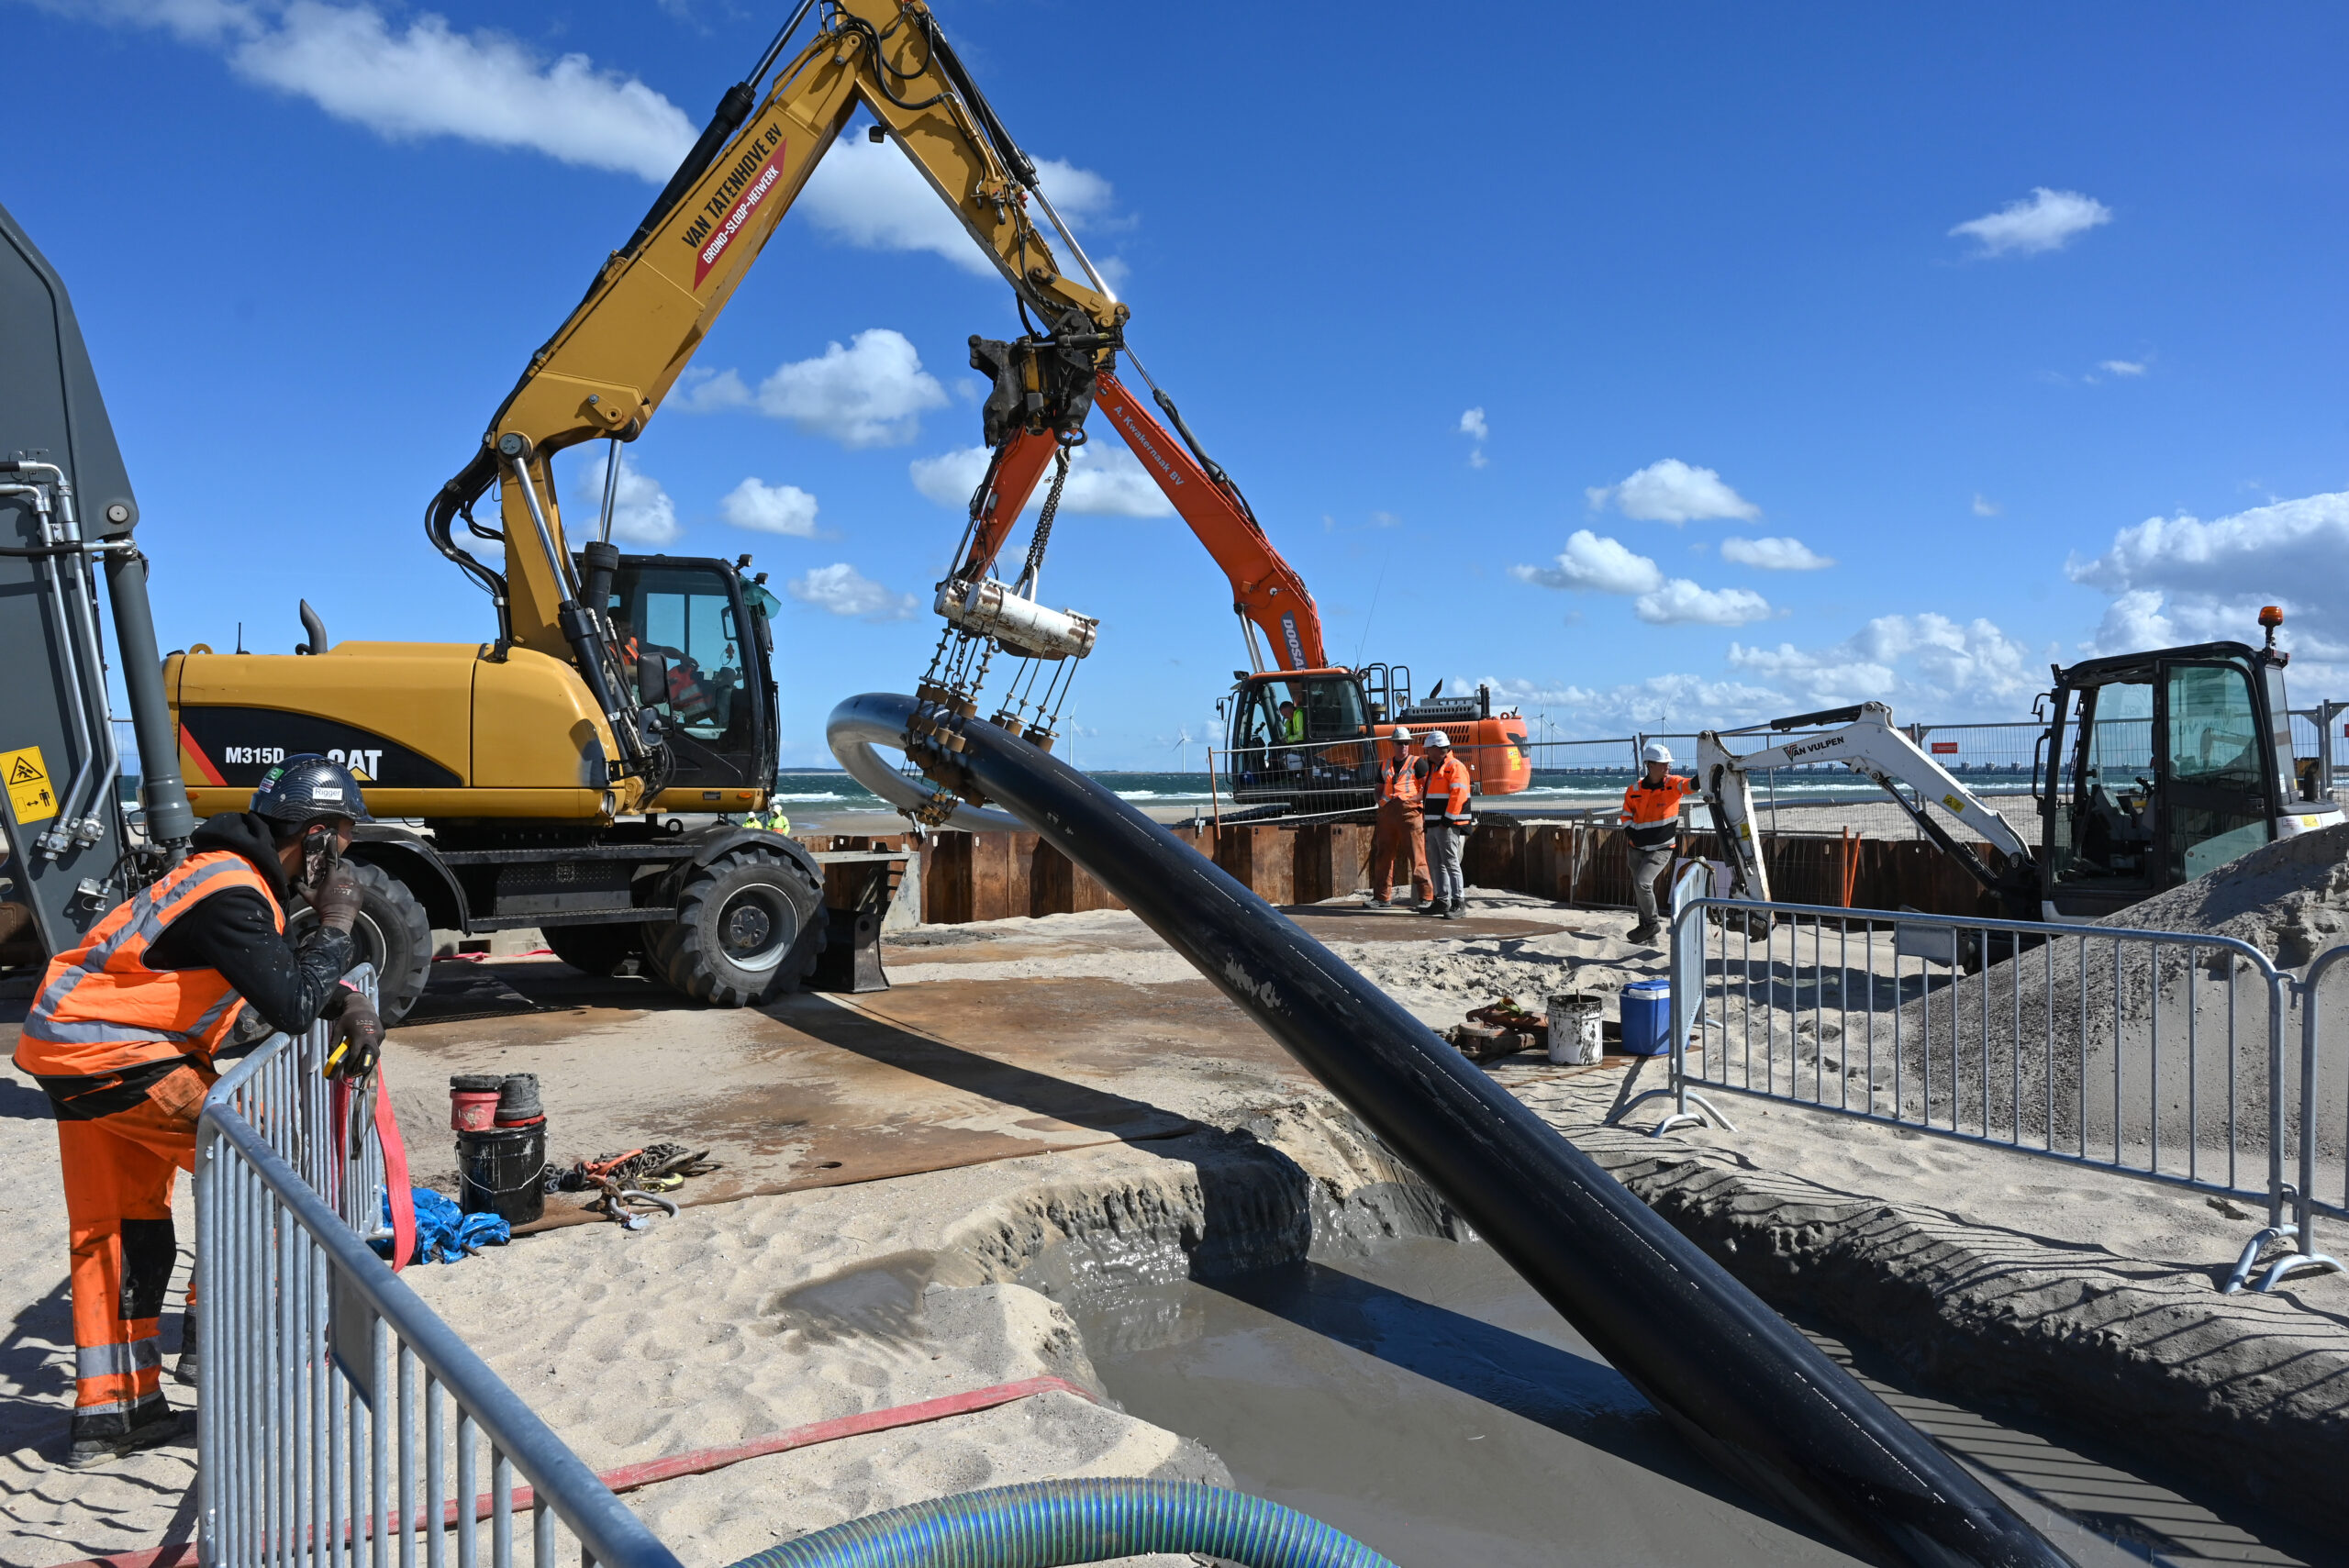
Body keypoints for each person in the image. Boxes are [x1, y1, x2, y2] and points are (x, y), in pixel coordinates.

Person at [15, 755, 384, 1467]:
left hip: (75, 1047)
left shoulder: (224, 878)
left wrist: (348, 999)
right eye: (343, 838)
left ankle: (114, 1412)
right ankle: (217, 1351)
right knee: (269, 1172)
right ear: (316, 837)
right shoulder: (232, 891)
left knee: (123, 1226)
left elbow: (272, 971)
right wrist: (339, 922)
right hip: (116, 1054)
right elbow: (290, 1002)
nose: (344, 859)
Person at [1621, 741, 1697, 943]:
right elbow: (1626, 815)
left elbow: (1690, 786)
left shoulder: (1673, 783)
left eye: (1668, 763)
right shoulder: (1634, 789)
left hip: (1661, 848)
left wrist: (1705, 776)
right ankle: (1647, 934)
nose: (1667, 766)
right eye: (1663, 763)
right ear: (1650, 765)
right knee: (1640, 888)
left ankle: (1651, 924)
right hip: (1636, 848)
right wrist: (1631, 833)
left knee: (1642, 883)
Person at [1365, 726, 1431, 909]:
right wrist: (1381, 802)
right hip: (1387, 814)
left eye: (1406, 743)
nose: (1403, 746)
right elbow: (1378, 789)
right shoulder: (1385, 765)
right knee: (1383, 856)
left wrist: (1413, 801)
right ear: (1393, 745)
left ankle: (1426, 898)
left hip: (1410, 814)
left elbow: (1427, 787)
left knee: (1417, 856)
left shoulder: (1418, 763)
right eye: (1400, 743)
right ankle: (1382, 898)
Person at [1419, 730, 1473, 919]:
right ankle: (1442, 901)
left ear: (1436, 748)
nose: (1426, 752)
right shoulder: (1435, 768)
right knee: (1437, 864)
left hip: (1446, 825)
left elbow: (1459, 794)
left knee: (1450, 863)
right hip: (1435, 824)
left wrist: (1447, 821)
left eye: (1428, 749)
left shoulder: (1454, 766)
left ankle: (1458, 902)